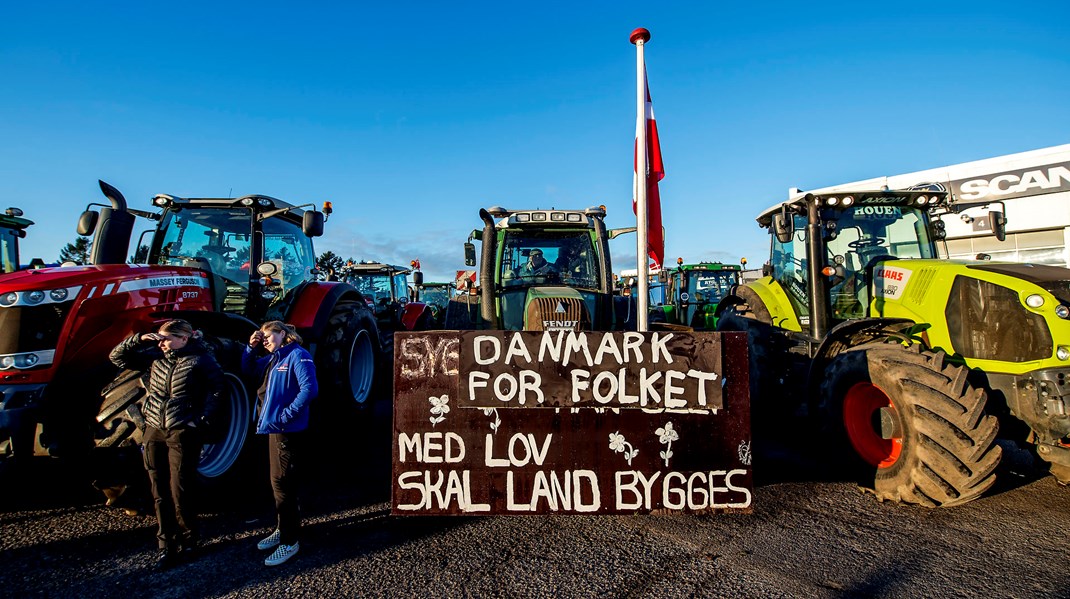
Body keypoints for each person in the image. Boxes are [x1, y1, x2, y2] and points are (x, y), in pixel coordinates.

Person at [109, 319, 222, 569]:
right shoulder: (155, 357)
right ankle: (166, 545)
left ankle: (190, 540)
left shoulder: (201, 359)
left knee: (180, 488)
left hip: (182, 430)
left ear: (184, 338)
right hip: (154, 429)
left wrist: (200, 420)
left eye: (167, 338)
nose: (162, 343)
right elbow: (117, 357)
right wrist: (138, 340)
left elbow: (217, 389)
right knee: (158, 490)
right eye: (160, 338)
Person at [242, 321, 318, 567]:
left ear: (282, 333)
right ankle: (282, 528)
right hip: (274, 429)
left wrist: (285, 416)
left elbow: (310, 389)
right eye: (261, 336)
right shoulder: (275, 358)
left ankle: (290, 541)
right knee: (278, 483)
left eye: (267, 335)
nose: (264, 339)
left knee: (284, 482)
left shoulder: (298, 355)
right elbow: (249, 370)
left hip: (287, 429)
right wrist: (251, 347)